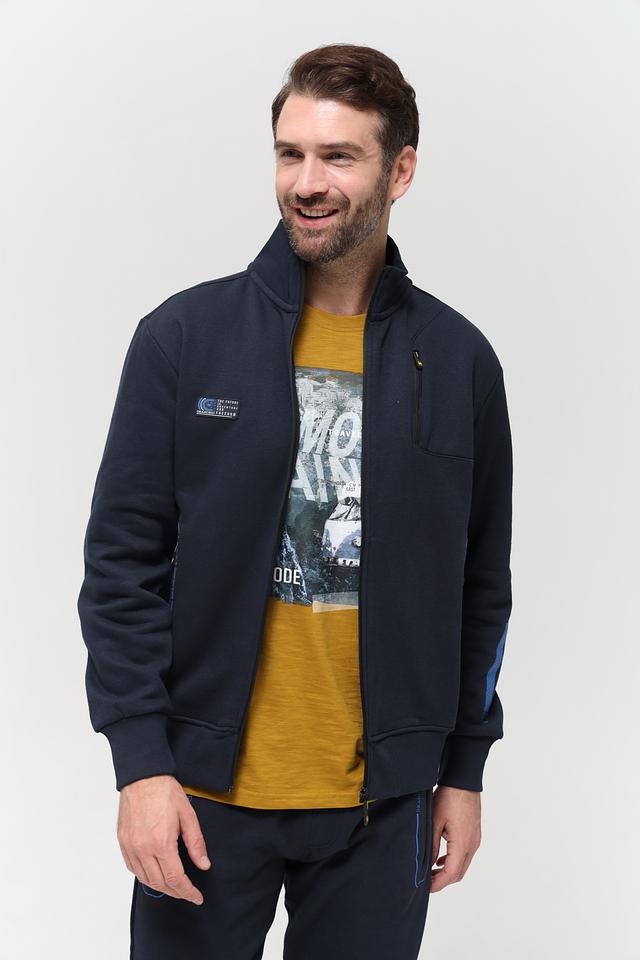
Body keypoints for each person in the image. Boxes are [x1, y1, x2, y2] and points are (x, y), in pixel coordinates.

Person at [77, 42, 513, 960]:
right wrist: (140, 764)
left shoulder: (458, 362)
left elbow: (481, 584)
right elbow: (120, 566)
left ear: (400, 170)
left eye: (338, 156)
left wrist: (464, 770)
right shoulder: (185, 338)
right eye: (290, 153)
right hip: (201, 796)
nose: (307, 183)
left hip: (382, 806)